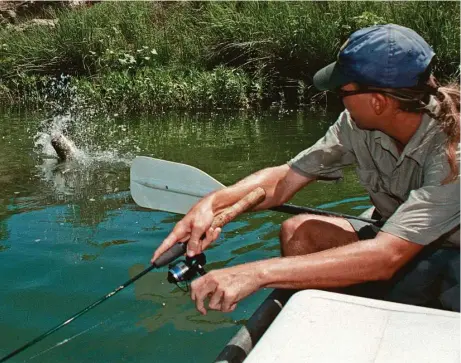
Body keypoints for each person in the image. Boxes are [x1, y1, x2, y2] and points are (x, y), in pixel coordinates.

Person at [151, 24, 460, 314]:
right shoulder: (357, 124)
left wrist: (257, 273)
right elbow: (284, 179)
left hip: (448, 256)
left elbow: (387, 256)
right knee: (298, 232)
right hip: (396, 241)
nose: (339, 101)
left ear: (378, 101)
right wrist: (212, 203)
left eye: (343, 93)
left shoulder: (453, 153)